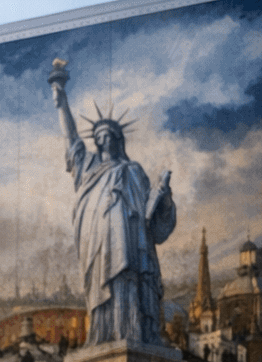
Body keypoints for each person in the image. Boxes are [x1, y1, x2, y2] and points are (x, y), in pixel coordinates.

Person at [50, 59, 175, 346]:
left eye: (109, 136)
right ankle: (106, 332)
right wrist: (62, 102)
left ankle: (134, 331)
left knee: (130, 277)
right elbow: (70, 139)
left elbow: (150, 216)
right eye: (99, 137)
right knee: (104, 282)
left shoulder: (133, 171)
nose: (104, 141)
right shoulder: (88, 168)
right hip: (98, 240)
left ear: (119, 140)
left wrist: (163, 197)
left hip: (132, 239)